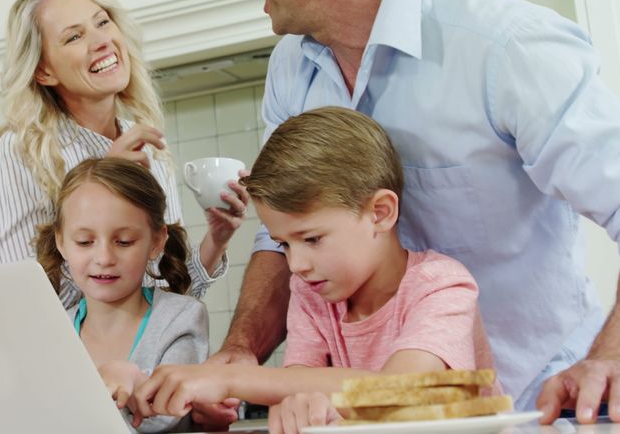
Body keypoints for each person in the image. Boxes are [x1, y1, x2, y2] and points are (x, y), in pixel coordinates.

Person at [201, 0, 620, 427]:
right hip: (377, 418)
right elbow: (278, 229)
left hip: (533, 408)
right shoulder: (292, 70)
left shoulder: (505, 46)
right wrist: (240, 348)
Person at [133, 107, 500, 434]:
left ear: (380, 213)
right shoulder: (312, 295)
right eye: (284, 244)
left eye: (311, 239)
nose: (296, 265)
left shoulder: (442, 286)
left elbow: (403, 390)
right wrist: (298, 405)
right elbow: (299, 381)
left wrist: (230, 378)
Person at [0, 0, 250, 308]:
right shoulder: (24, 151)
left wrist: (217, 238)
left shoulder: (146, 145)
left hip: (152, 354)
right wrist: (108, 182)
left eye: (102, 22)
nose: (102, 41)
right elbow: (23, 300)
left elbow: (169, 299)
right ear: (44, 71)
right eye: (74, 36)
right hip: (78, 358)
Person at [36, 157, 209, 433]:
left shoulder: (181, 317)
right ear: (61, 243)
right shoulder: (52, 335)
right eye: (85, 242)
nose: (104, 258)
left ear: (156, 242)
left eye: (124, 241)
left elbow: (166, 416)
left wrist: (135, 381)